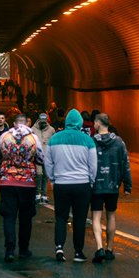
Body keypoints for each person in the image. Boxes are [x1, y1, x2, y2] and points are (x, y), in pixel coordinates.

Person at [0, 113, 44, 262]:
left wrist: (7, 160)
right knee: (26, 217)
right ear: (27, 122)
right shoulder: (33, 138)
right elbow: (41, 158)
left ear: (14, 123)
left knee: (9, 216)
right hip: (28, 183)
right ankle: (23, 248)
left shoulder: (4, 136)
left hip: (7, 181)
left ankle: (9, 250)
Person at [45, 109, 96, 262]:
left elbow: (48, 162)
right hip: (82, 184)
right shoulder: (87, 140)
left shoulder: (54, 139)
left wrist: (53, 179)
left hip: (62, 184)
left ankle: (59, 247)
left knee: (61, 217)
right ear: (80, 123)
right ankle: (78, 252)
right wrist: (91, 181)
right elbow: (93, 165)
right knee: (79, 219)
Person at [91, 113, 132, 263]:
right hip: (112, 184)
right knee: (111, 216)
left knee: (96, 216)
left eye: (95, 122)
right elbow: (125, 164)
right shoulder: (119, 142)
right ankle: (109, 249)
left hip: (96, 184)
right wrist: (127, 185)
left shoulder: (92, 142)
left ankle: (99, 247)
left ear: (98, 123)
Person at [32, 113, 56, 204]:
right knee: (38, 174)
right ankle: (37, 193)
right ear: (38, 120)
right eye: (41, 120)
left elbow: (54, 143)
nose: (43, 122)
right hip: (37, 156)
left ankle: (44, 194)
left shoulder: (51, 130)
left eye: (45, 121)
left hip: (48, 157)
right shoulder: (33, 129)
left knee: (46, 175)